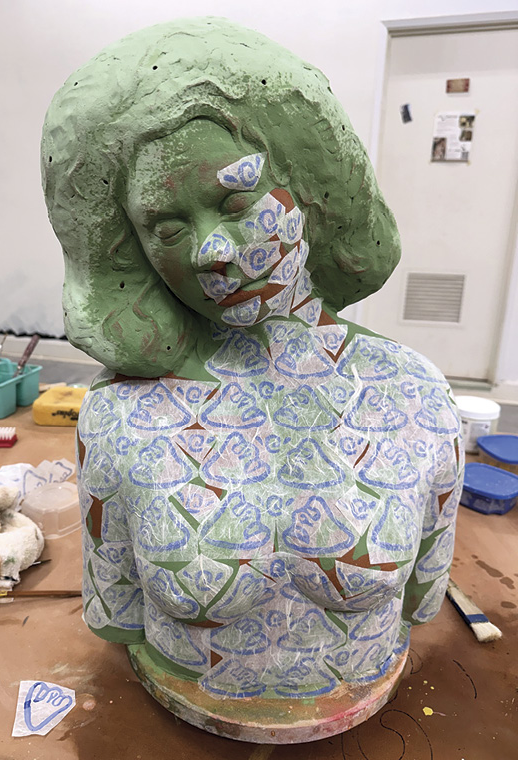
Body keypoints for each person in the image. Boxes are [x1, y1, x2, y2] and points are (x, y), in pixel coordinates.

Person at [42, 18, 462, 742]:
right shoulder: (120, 415)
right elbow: (114, 613)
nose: (211, 251)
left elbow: (423, 602)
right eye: (166, 228)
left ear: (308, 186)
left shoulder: (415, 397)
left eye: (237, 200)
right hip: (175, 724)